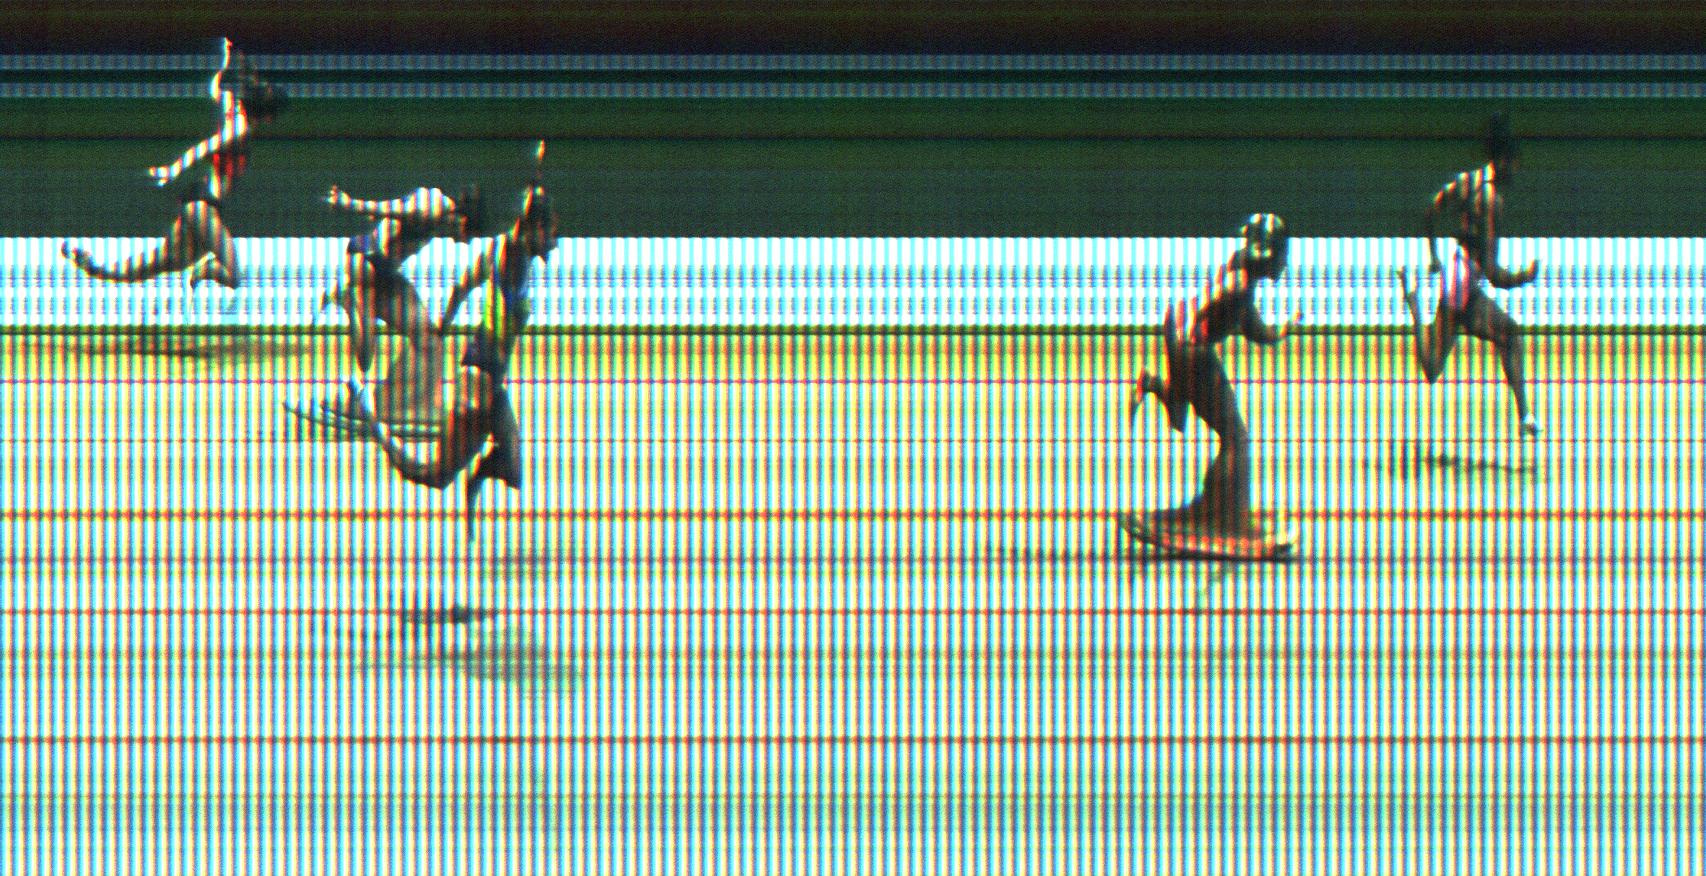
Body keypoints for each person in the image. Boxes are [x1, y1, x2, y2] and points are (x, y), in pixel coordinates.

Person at [346, 147, 558, 538]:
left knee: (511, 472)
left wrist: (442, 324)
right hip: (477, 385)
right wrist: (535, 177)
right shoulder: (511, 255)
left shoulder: (505, 256)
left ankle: (478, 476)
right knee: (432, 475)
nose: (556, 242)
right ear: (531, 229)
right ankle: (369, 413)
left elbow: (461, 287)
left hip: (492, 383)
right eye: (551, 233)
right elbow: (519, 226)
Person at [61, 39, 284, 298]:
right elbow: (207, 146)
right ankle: (204, 270)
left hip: (199, 204)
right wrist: (174, 168)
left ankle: (96, 268)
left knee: (165, 260)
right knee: (233, 275)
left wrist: (228, 58)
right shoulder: (240, 130)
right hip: (203, 206)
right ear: (268, 117)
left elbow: (217, 86)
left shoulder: (231, 107)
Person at [1126, 213, 1301, 540]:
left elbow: (1255, 330)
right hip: (1190, 343)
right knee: (1236, 438)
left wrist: (1283, 329)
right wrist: (1191, 331)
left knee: (1180, 415)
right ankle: (1227, 518)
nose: (1284, 263)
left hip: (1181, 333)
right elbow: (1213, 298)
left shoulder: (1243, 281)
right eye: (1282, 254)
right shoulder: (1239, 283)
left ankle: (1154, 384)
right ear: (1268, 255)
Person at [1402, 111, 1543, 437]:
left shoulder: (1467, 181)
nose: (1516, 170)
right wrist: (1524, 277)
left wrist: (1434, 256)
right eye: (1515, 163)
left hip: (1457, 275)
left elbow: (1432, 209)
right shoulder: (1492, 201)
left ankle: (1525, 415)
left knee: (1496, 338)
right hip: (1464, 283)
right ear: (1504, 160)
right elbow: (1493, 274)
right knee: (1501, 338)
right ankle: (1413, 304)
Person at [322, 183, 485, 420]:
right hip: (365, 262)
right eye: (470, 234)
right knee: (366, 346)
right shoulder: (429, 208)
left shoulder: (441, 216)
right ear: (461, 219)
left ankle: (404, 405)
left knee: (429, 337)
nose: (467, 242)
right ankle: (356, 394)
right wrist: (349, 204)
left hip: (386, 272)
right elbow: (388, 209)